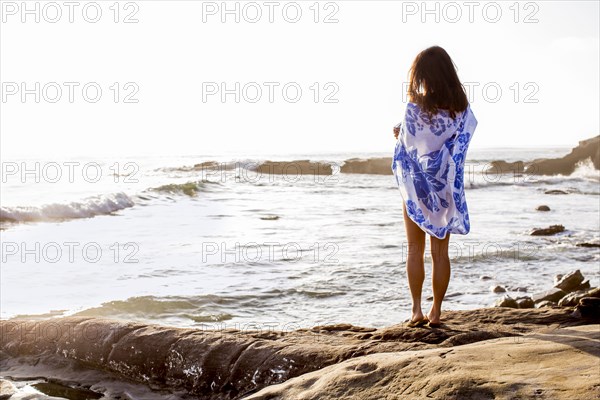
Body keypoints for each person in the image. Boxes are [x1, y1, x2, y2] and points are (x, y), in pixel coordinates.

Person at [391, 46, 478, 328]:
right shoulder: (461, 109)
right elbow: (457, 145)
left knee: (414, 250)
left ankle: (416, 310)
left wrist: (399, 133)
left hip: (416, 189)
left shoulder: (413, 108)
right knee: (440, 253)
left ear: (424, 75)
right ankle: (436, 312)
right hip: (443, 191)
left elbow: (407, 148)